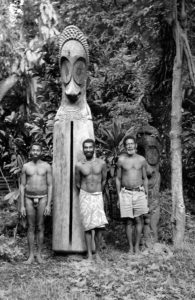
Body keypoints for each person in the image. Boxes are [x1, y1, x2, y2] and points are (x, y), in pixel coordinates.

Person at [75, 139, 108, 261]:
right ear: (83, 149)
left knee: (99, 226)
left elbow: (104, 179)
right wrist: (86, 192)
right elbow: (77, 183)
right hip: (85, 196)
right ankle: (89, 254)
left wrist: (98, 190)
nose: (88, 149)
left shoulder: (101, 163)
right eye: (86, 147)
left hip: (98, 195)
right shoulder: (79, 165)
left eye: (90, 147)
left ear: (94, 148)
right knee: (88, 226)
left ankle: (97, 253)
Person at [20, 142, 52, 264]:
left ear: (41, 152)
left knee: (40, 226)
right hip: (28, 198)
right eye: (33, 150)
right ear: (30, 151)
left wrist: (49, 204)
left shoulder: (46, 166)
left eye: (37, 150)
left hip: (43, 197)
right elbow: (22, 185)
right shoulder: (26, 166)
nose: (35, 152)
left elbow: (50, 185)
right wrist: (22, 205)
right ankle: (30, 255)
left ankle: (39, 255)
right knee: (30, 227)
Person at [116, 135, 149, 254]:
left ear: (135, 145)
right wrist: (119, 196)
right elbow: (118, 179)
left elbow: (145, 178)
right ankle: (130, 247)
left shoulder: (141, 159)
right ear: (125, 147)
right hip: (126, 193)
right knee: (128, 221)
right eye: (127, 144)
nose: (129, 146)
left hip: (139, 192)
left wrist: (146, 194)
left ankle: (137, 247)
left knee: (139, 219)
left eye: (131, 143)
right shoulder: (121, 160)